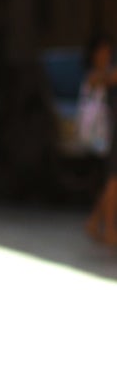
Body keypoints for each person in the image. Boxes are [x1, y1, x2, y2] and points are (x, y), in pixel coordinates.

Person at [82, 36, 117, 247]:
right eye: (101, 51)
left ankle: (96, 222)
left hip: (111, 133)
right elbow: (99, 81)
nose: (105, 55)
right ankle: (106, 226)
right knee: (112, 182)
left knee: (112, 182)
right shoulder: (95, 75)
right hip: (107, 134)